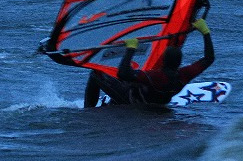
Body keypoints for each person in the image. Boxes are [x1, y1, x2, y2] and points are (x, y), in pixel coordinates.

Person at [84, 18, 214, 107]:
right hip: (156, 103)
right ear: (179, 62)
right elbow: (209, 58)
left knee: (96, 74)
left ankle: (88, 110)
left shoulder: (157, 77)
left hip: (134, 103)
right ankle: (111, 105)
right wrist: (205, 32)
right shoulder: (183, 75)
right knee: (132, 82)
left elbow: (123, 73)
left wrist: (130, 49)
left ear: (163, 60)